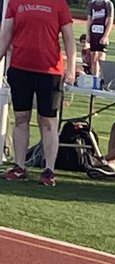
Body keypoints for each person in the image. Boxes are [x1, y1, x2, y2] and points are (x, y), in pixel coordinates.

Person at [0, 0, 75, 186]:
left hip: (50, 71)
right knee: (21, 117)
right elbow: (6, 35)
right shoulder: (16, 2)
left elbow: (69, 38)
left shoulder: (59, 4)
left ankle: (49, 170)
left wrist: (71, 68)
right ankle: (19, 166)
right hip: (20, 68)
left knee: (48, 120)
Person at [85, 0, 113, 88]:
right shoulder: (92, 4)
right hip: (93, 33)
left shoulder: (108, 4)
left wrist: (106, 35)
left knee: (101, 59)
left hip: (102, 32)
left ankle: (103, 81)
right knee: (93, 58)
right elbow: (89, 19)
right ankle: (95, 81)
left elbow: (110, 21)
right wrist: (88, 34)